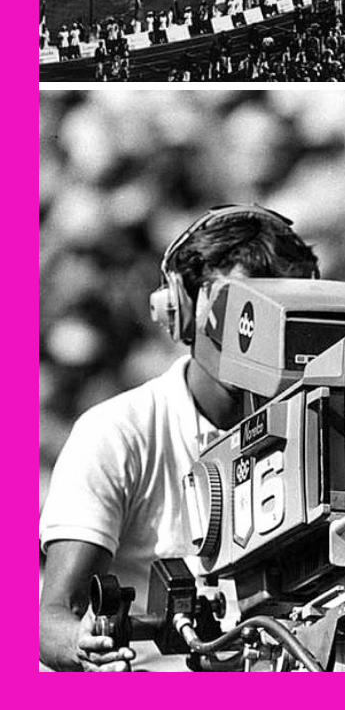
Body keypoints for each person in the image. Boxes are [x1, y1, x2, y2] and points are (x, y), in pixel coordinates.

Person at [39, 205, 320, 671]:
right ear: (181, 309)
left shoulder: (324, 426)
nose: (254, 330)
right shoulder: (118, 431)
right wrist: (84, 645)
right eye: (238, 307)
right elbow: (51, 618)